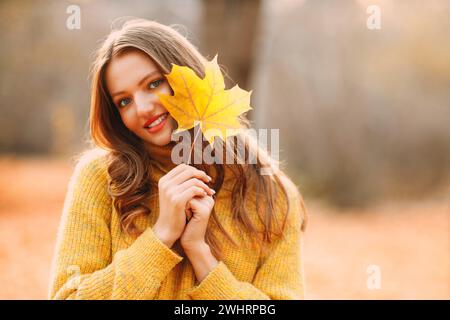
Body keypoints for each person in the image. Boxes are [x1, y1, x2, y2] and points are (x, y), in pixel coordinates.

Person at [48, 18, 307, 300]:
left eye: (154, 83)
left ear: (188, 76)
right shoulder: (101, 178)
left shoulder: (270, 194)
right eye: (124, 101)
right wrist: (160, 238)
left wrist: (201, 255)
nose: (143, 108)